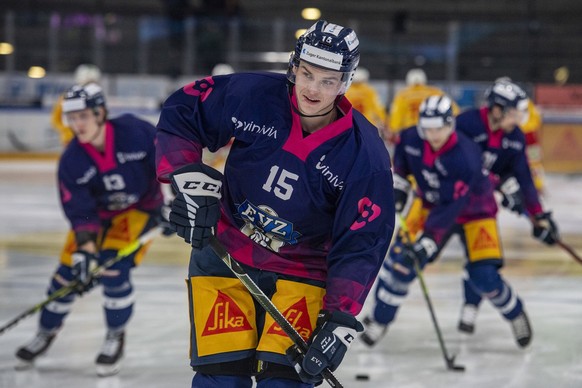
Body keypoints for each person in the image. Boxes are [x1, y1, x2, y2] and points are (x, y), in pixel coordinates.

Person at [155, 19, 395, 388]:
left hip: (303, 272)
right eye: (307, 73)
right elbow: (184, 112)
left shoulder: (366, 155)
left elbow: (362, 243)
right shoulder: (252, 95)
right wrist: (185, 178)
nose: (313, 89)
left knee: (283, 383)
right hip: (225, 255)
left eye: (327, 80)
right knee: (218, 380)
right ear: (293, 66)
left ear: (345, 82)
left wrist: (340, 317)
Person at [15, 83, 171, 377]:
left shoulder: (136, 133)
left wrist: (173, 204)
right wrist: (85, 251)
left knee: (113, 269)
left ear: (100, 113)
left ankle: (115, 336)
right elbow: (80, 211)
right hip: (98, 218)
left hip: (137, 212)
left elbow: (167, 164)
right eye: (71, 118)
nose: (77, 124)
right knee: (66, 277)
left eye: (83, 116)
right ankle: (45, 332)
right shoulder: (73, 159)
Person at [361, 94, 534, 350]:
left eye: (439, 128)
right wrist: (399, 187)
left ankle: (515, 312)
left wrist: (430, 240)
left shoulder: (466, 155)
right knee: (401, 265)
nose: (433, 135)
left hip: (475, 211)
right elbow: (402, 164)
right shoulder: (410, 139)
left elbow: (453, 204)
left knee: (484, 276)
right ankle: (380, 319)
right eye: (427, 129)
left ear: (450, 125)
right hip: (430, 205)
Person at [454, 79, 559, 334]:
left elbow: (524, 176)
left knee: (483, 268)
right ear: (497, 109)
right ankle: (375, 322)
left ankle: (496, 309)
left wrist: (538, 215)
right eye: (515, 112)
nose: (519, 119)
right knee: (405, 262)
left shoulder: (514, 137)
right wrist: (498, 181)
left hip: (480, 210)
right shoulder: (466, 124)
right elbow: (460, 165)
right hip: (444, 207)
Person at [387, 68, 459, 138]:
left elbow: (395, 118)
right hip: (432, 131)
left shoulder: (402, 95)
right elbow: (455, 111)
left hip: (409, 133)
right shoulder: (435, 91)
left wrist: (393, 131)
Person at [51, 64, 102, 146]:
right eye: (89, 83)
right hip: (71, 140)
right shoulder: (67, 97)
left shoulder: (97, 99)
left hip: (92, 140)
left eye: (93, 83)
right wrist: (68, 132)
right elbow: (56, 120)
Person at [345, 66, 387, 138]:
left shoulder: (346, 91)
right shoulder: (369, 91)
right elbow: (378, 107)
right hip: (367, 124)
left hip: (349, 123)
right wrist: (383, 121)